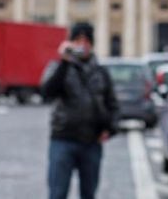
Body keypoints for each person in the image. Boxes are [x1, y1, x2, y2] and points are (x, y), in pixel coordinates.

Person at [40, 23, 119, 199]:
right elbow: (47, 92)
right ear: (70, 43)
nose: (82, 45)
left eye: (86, 41)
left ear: (92, 44)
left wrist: (110, 129)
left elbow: (113, 104)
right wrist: (64, 63)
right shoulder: (59, 67)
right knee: (57, 192)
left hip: (92, 142)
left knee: (89, 193)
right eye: (77, 41)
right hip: (63, 139)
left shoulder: (101, 72)